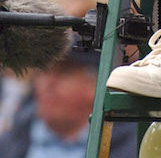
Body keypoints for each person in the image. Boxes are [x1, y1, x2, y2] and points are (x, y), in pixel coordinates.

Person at [0, 46, 137, 158]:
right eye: (43, 71)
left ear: (96, 85)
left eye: (63, 73)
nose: (48, 83)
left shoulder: (132, 143)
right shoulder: (12, 138)